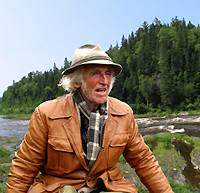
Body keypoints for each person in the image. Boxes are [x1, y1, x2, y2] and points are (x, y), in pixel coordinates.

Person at [7, 44, 173, 193]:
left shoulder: (124, 113)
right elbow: (24, 167)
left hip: (107, 187)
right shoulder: (46, 113)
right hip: (58, 188)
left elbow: (144, 161)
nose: (104, 81)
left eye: (108, 74)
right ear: (77, 80)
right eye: (96, 74)